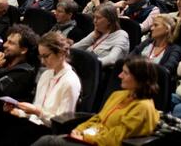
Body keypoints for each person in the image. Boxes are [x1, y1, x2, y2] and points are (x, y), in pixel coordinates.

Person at [0, 31, 82, 146]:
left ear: (61, 53)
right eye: (41, 56)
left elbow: (62, 124)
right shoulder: (47, 74)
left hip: (49, 132)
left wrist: (37, 112)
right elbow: (36, 110)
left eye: (46, 56)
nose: (42, 61)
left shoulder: (70, 82)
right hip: (33, 124)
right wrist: (19, 112)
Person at [32, 57, 160, 146]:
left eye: (125, 73)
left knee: (48, 142)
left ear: (140, 78)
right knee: (48, 141)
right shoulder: (119, 95)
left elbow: (116, 138)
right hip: (90, 137)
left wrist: (86, 137)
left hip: (102, 143)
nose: (120, 76)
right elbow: (98, 118)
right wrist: (79, 130)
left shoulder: (143, 107)